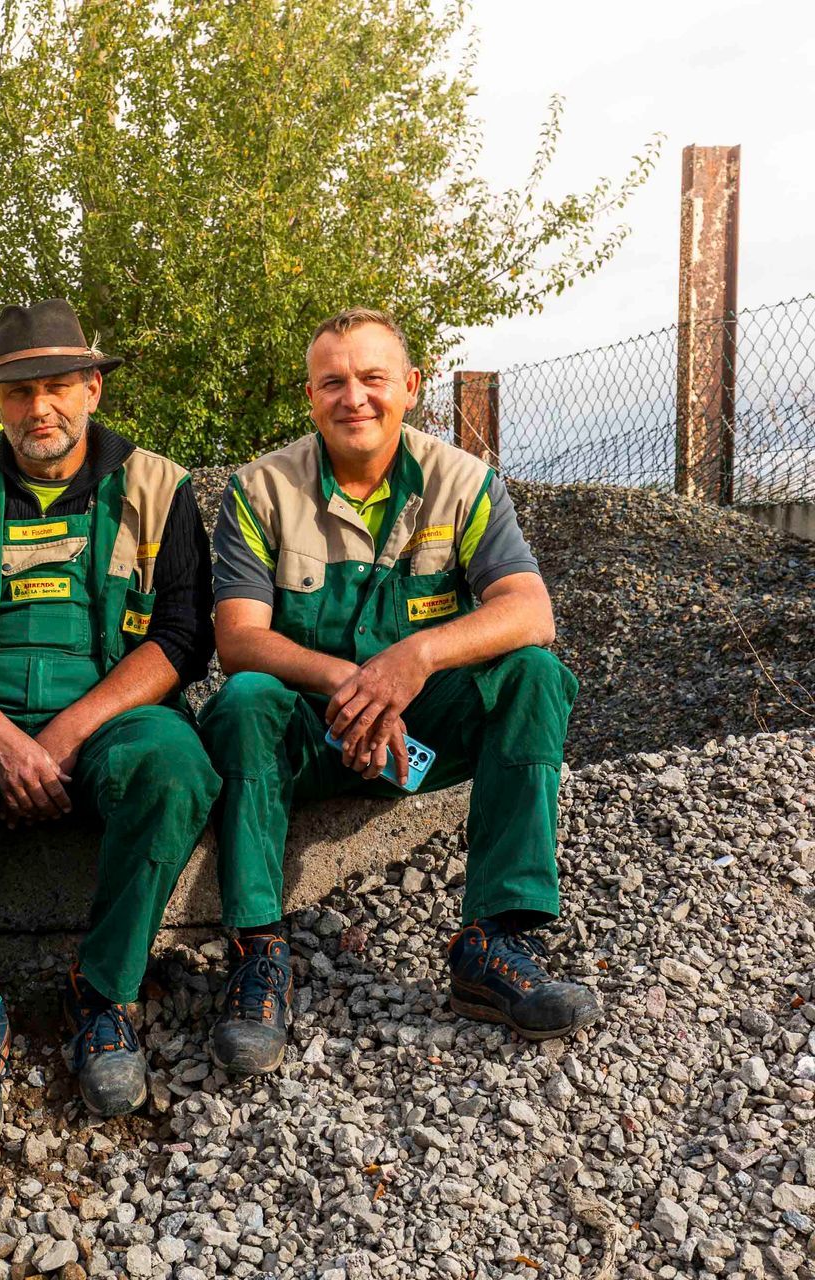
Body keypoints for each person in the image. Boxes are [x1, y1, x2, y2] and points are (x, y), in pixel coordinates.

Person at [201, 307, 600, 1078]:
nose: (355, 397)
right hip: (312, 730)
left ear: (411, 388)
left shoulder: (464, 483)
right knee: (244, 700)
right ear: (310, 397)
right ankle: (257, 953)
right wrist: (349, 683)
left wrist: (415, 657)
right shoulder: (260, 490)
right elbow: (238, 638)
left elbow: (531, 612)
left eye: (373, 378)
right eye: (333, 382)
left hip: (424, 726)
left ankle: (494, 941)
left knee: (534, 676)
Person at [0, 299, 220, 1154]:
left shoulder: (156, 487)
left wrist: (61, 738)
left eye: (59, 387)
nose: (40, 410)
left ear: (93, 389)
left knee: (177, 766)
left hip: (107, 719)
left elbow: (182, 634)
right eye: (20, 393)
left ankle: (102, 994)